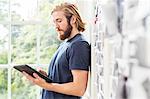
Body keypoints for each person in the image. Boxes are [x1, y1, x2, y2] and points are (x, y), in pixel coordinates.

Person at [23, 2, 91, 99]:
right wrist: (46, 78)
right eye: (54, 22)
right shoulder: (66, 44)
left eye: (59, 21)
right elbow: (63, 78)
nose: (56, 26)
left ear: (73, 19)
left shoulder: (78, 45)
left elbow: (79, 89)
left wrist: (46, 85)